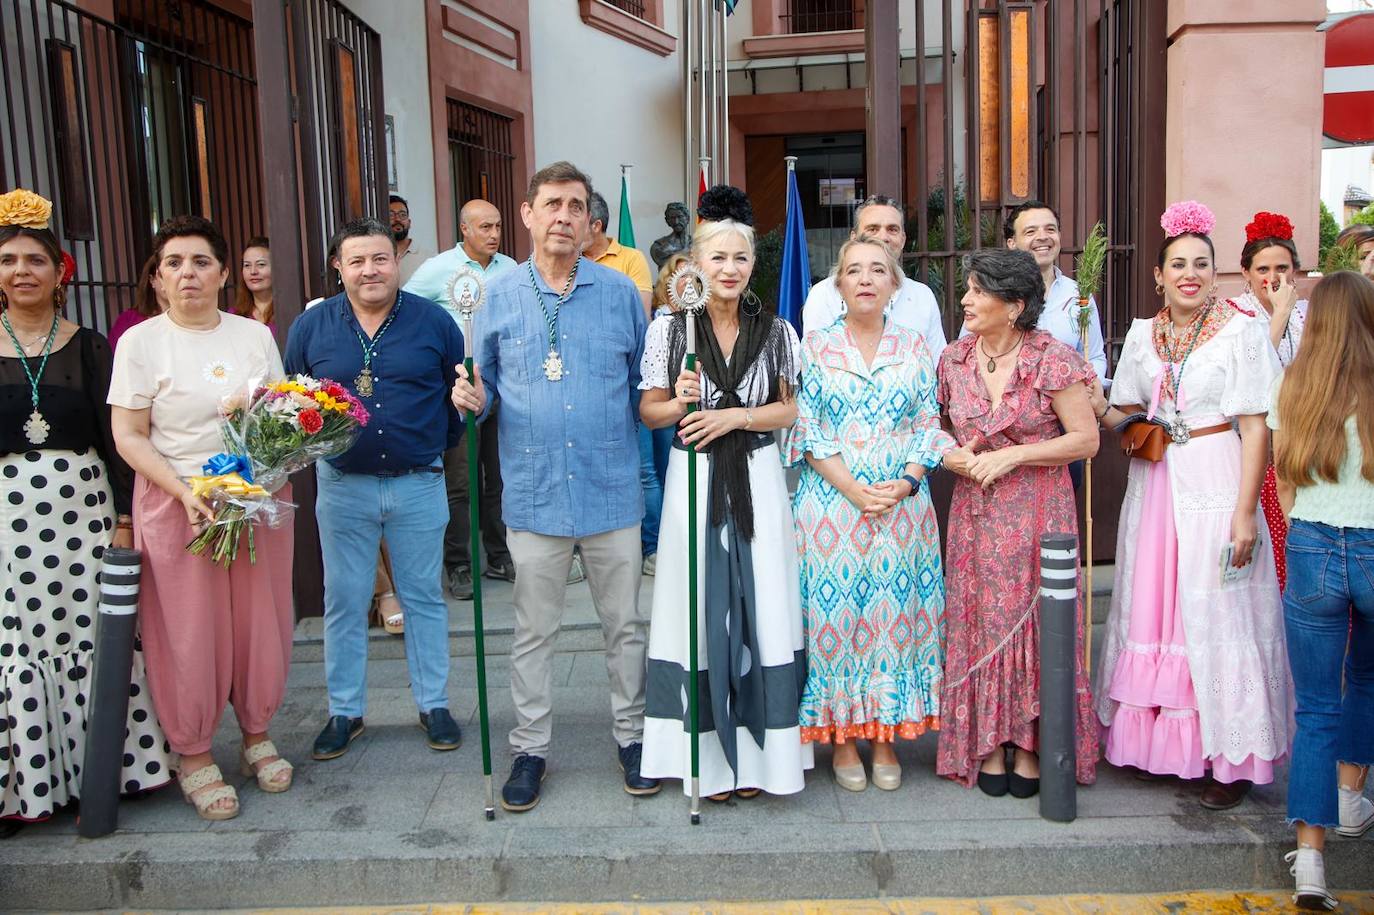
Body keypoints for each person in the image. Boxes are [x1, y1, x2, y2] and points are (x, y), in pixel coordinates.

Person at [450, 161, 654, 812]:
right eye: (551, 204)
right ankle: (530, 747)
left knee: (623, 625)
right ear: (528, 214)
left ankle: (633, 736)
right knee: (533, 631)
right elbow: (482, 397)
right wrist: (471, 398)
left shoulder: (621, 294)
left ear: (591, 220)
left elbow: (641, 390)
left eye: (575, 205)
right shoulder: (496, 297)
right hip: (535, 493)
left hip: (610, 487)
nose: (564, 215)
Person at [1090, 200, 1291, 811]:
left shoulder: (1241, 329)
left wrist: (1245, 512)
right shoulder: (1143, 337)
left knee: (1216, 613)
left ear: (1215, 273)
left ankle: (1226, 757)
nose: (1190, 274)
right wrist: (1087, 394)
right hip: (1155, 485)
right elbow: (1118, 409)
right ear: (1158, 274)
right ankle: (1156, 746)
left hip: (1215, 474)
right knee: (1154, 607)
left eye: (1201, 264)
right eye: (1178, 263)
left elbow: (1256, 428)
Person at [0, 189, 174, 836]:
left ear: (58, 273)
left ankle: (110, 770)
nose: (23, 271)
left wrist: (125, 517)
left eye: (35, 261)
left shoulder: (91, 346)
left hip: (82, 516)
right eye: (10, 260)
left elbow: (118, 443)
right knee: (17, 643)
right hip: (8, 523)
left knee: (94, 637)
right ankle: (27, 784)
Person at [109, 215, 294, 821]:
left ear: (223, 273)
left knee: (257, 620)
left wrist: (255, 480)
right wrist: (185, 492)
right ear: (158, 279)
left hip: (252, 497)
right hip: (177, 501)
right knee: (188, 630)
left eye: (200, 262)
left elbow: (278, 419)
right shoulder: (141, 341)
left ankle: (256, 732)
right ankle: (192, 751)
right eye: (173, 264)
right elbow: (129, 435)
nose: (187, 274)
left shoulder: (252, 335)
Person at [638, 189, 811, 800]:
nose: (731, 268)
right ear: (697, 264)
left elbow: (790, 409)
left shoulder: (777, 329)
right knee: (699, 602)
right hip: (694, 476)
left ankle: (766, 758)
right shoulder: (669, 329)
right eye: (719, 259)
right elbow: (650, 412)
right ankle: (706, 760)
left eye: (741, 258)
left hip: (758, 475)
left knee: (762, 599)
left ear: (752, 263)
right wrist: (680, 400)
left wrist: (734, 418)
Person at [285, 217, 466, 762]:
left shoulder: (434, 322)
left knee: (424, 599)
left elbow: (458, 398)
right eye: (357, 260)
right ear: (338, 267)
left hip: (418, 484)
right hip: (342, 486)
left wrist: (439, 436)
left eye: (381, 258)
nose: (370, 270)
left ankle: (434, 704)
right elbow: (293, 401)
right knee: (344, 600)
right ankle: (345, 711)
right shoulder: (311, 329)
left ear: (397, 262)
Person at [789, 235, 955, 792]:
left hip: (902, 509)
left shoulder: (914, 347)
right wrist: (856, 491)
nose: (865, 278)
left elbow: (928, 424)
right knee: (836, 624)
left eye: (877, 270)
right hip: (831, 507)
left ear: (893, 284)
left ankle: (883, 735)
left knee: (892, 624)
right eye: (853, 270)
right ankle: (840, 740)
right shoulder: (812, 347)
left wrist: (906, 482)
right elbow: (806, 429)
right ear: (837, 285)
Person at [936, 247, 1099, 796]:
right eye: (969, 289)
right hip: (975, 518)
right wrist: (949, 455)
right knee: (980, 620)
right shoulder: (953, 359)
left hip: (1038, 512)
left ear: (1014, 305)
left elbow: (1086, 439)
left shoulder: (1054, 358)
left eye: (978, 291)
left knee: (1038, 624)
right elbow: (931, 429)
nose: (965, 300)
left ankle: (1031, 743)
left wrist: (1013, 456)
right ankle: (986, 741)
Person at [1269, 270, 1374, 910]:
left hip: (1312, 542)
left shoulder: (1296, 384)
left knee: (1314, 708)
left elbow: (1282, 486)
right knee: (1365, 679)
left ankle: (1311, 862)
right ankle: (1352, 796)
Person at [405, 198, 518, 597]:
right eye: (484, 227)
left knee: (499, 480)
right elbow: (405, 311)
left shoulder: (511, 270)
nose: (493, 234)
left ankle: (500, 556)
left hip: (504, 389)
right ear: (464, 230)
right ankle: (459, 565)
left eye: (498, 226)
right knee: (460, 481)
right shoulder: (438, 269)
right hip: (459, 393)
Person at [1237, 211, 1305, 590]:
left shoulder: (1308, 315)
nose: (1273, 277)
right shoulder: (1232, 316)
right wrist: (1278, 315)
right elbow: (1253, 375)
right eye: (1263, 268)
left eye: (1282, 267)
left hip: (1299, 442)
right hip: (1253, 443)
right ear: (1245, 272)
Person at [800, 194, 946, 362]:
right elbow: (813, 364)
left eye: (892, 229)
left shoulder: (923, 296)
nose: (884, 237)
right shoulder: (824, 294)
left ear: (903, 239)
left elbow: (937, 367)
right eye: (872, 229)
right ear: (854, 238)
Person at [1000, 200, 1109, 381]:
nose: (1043, 237)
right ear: (1012, 243)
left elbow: (1095, 356)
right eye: (1030, 231)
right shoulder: (994, 294)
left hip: (1068, 404)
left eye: (1050, 229)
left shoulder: (1079, 295)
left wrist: (1090, 386)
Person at [639, 252, 692, 576]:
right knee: (653, 474)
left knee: (667, 468)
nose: (687, 281)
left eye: (692, 274)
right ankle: (654, 546)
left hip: (686, 414)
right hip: (661, 404)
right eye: (680, 275)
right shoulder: (660, 324)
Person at [585, 191, 652, 317]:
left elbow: (641, 316)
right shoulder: (570, 260)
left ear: (596, 226)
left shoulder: (633, 259)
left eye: (579, 224)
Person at [108, 254, 167, 351]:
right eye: (163, 276)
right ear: (152, 280)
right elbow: (113, 358)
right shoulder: (128, 320)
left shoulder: (196, 318)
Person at [232, 236, 276, 330]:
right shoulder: (234, 316)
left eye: (261, 264)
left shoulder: (298, 308)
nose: (253, 271)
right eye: (247, 265)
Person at [389, 194, 428, 285]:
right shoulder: (376, 257)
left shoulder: (428, 258)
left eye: (402, 215)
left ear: (409, 223)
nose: (397, 219)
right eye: (391, 215)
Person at [650, 201, 691, 269]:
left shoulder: (697, 244)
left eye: (680, 217)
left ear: (687, 218)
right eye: (672, 218)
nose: (676, 222)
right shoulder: (658, 246)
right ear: (667, 221)